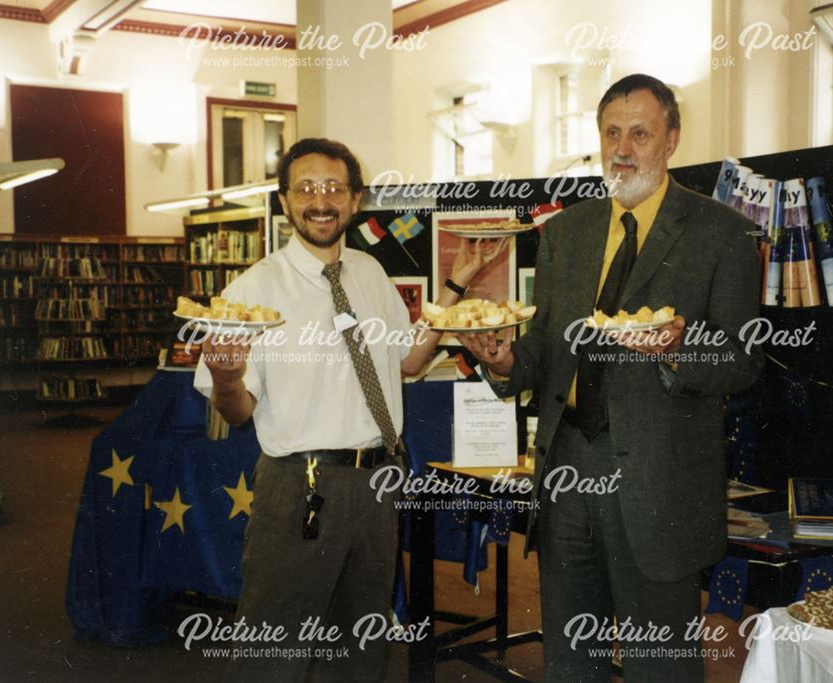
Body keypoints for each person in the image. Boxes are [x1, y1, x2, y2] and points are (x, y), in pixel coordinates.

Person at [459, 74, 765, 681]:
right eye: (612, 133)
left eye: (641, 133)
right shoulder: (567, 234)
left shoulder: (722, 232)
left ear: (671, 139)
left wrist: (679, 350)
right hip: (567, 467)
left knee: (661, 668)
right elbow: (545, 347)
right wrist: (502, 361)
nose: (624, 149)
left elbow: (744, 359)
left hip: (659, 482)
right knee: (572, 662)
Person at [194, 137, 504, 681]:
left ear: (355, 200)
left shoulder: (368, 273)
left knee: (359, 651)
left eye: (334, 187)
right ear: (285, 201)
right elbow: (239, 411)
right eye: (306, 188)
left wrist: (457, 285)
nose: (321, 200)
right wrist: (224, 377)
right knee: (274, 651)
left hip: (377, 486)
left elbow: (408, 361)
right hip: (300, 488)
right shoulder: (254, 288)